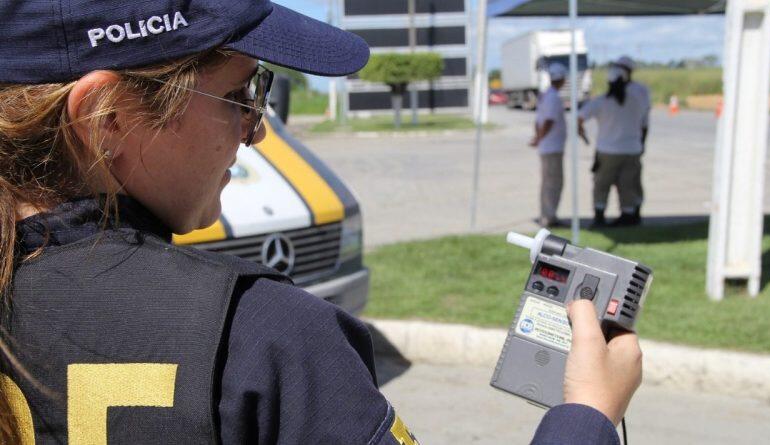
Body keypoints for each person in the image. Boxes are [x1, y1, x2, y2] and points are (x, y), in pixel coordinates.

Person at [0, 1, 642, 444]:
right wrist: (585, 414)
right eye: (240, 96)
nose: (255, 130)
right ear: (106, 118)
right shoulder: (266, 338)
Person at [579, 65, 650, 227]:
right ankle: (628, 215)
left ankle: (599, 217)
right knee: (629, 185)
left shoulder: (601, 101)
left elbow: (579, 118)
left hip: (607, 151)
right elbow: (645, 125)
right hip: (632, 150)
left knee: (602, 185)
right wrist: (641, 144)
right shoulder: (638, 101)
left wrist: (583, 136)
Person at [613, 56, 651, 223]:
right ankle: (631, 211)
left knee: (630, 182)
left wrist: (642, 141)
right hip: (629, 144)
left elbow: (644, 120)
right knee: (629, 181)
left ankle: (632, 212)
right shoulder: (638, 90)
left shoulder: (637, 91)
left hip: (630, 144)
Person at [530, 63, 568, 228]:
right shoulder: (552, 97)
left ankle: (547, 214)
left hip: (548, 146)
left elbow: (538, 121)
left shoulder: (546, 95)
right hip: (552, 147)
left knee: (548, 183)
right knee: (553, 183)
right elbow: (548, 121)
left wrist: (538, 137)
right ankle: (549, 217)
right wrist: (540, 138)